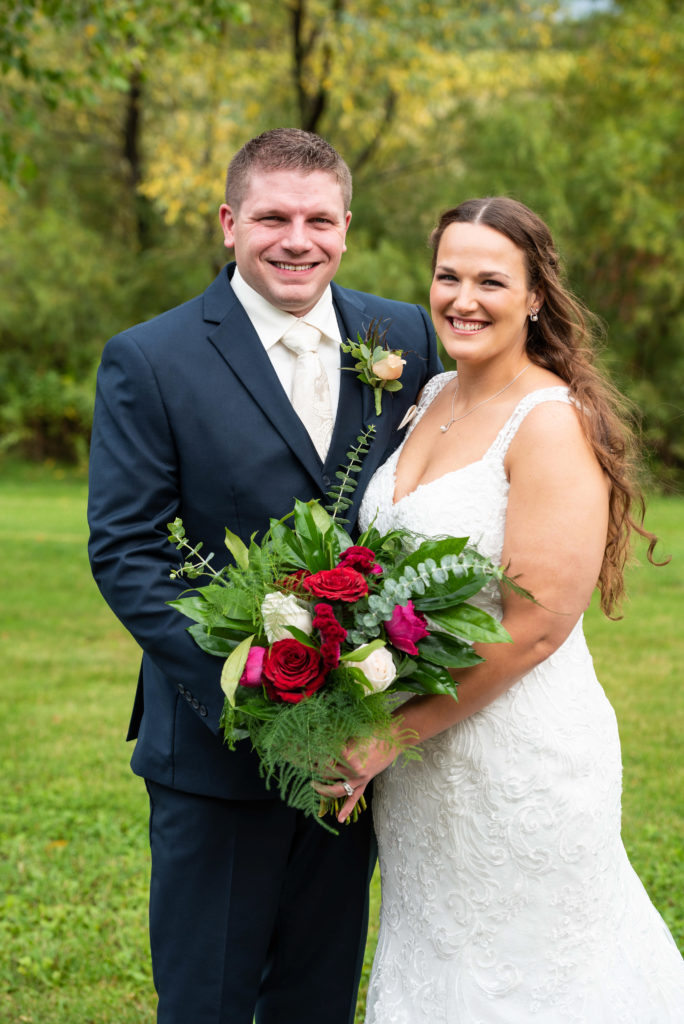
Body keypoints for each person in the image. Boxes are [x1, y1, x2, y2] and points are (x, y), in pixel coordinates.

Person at [87, 128, 441, 1024]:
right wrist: (259, 700)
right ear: (228, 223)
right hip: (216, 750)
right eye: (272, 217)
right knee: (206, 998)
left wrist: (374, 696)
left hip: (357, 750)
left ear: (347, 226)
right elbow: (126, 548)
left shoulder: (404, 335)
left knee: (318, 996)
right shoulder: (151, 357)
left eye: (319, 219)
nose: (297, 240)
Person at [322, 196, 684, 1021]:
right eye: (447, 276)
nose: (463, 298)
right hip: (423, 771)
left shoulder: (550, 422)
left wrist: (386, 738)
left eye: (491, 280)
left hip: (519, 757)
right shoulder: (429, 395)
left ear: (535, 297)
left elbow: (536, 627)